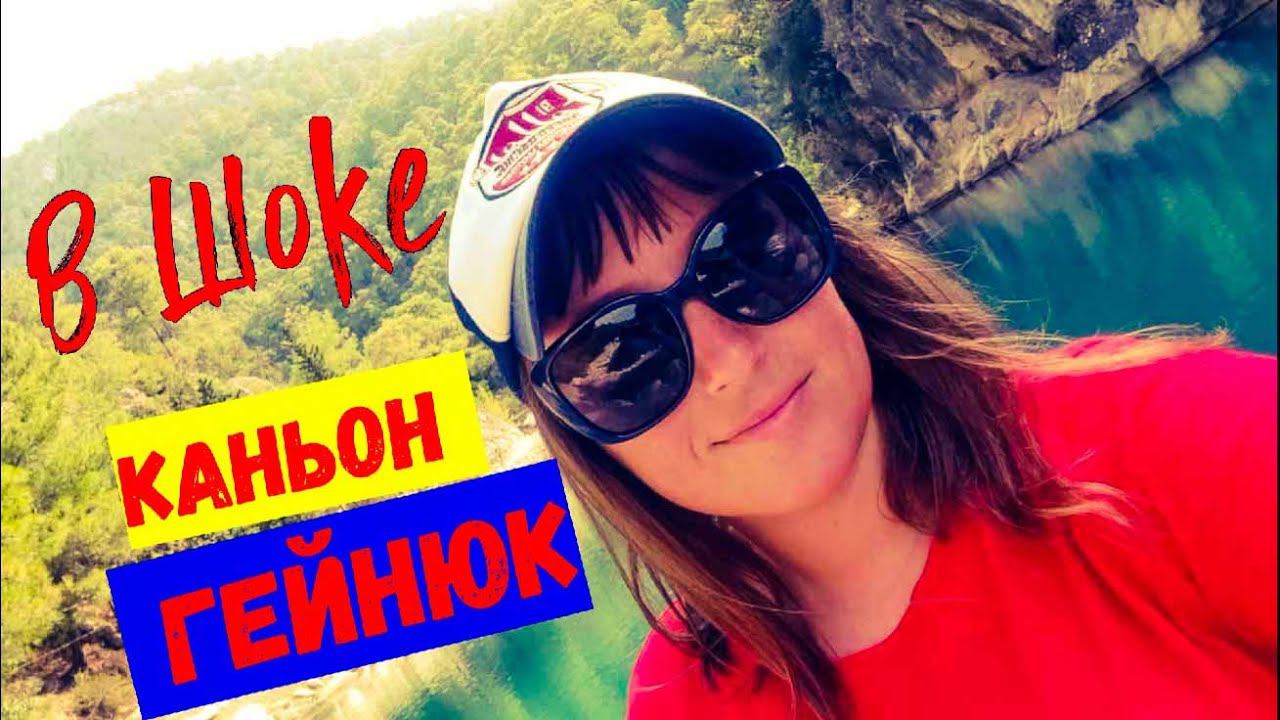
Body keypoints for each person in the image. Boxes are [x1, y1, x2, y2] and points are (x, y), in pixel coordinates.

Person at [446, 71, 1278, 719]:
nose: (727, 360)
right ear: (575, 427)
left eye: (741, 251)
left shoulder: (1153, 443)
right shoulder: (683, 702)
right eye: (624, 352)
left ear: (816, 234)